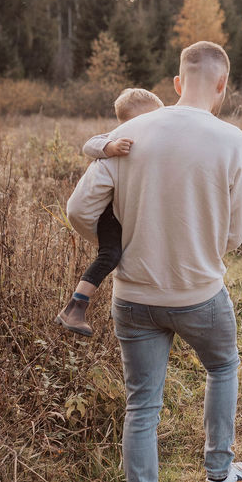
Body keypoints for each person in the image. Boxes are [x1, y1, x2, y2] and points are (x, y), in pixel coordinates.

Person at [66, 41, 242, 482]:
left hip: (132, 297)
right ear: (222, 85)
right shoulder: (233, 141)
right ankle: (219, 477)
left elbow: (78, 209)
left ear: (177, 83)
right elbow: (236, 236)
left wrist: (118, 246)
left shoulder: (126, 134)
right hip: (199, 292)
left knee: (142, 405)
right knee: (222, 367)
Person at [56, 88, 164, 337]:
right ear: (127, 124)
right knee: (110, 255)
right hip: (109, 212)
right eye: (146, 121)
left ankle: (118, 307)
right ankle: (74, 308)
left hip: (123, 211)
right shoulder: (118, 138)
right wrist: (111, 146)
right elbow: (89, 145)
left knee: (124, 255)